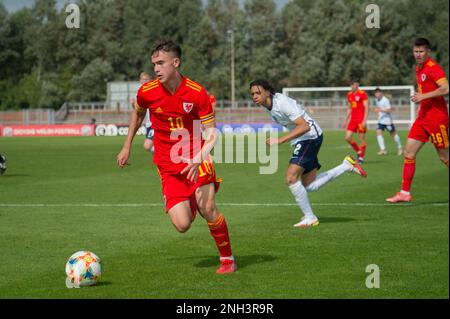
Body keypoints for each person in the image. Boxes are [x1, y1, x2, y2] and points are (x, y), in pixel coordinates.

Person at [117, 39, 237, 274]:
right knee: (182, 225)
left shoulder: (196, 93)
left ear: (176, 62)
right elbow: (138, 114)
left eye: (161, 63)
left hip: (197, 159)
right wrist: (126, 145)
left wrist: (200, 157)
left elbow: (212, 133)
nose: (156, 69)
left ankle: (228, 259)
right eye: (154, 64)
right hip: (167, 165)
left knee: (209, 208)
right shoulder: (147, 92)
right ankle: (190, 199)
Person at [250, 79, 367, 228]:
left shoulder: (281, 103)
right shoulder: (268, 106)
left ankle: (310, 217)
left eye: (258, 92)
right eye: (252, 94)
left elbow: (304, 126)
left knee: (291, 178)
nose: (255, 96)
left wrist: (281, 140)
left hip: (309, 136)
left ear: (267, 91)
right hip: (303, 139)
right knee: (309, 185)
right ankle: (345, 166)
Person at [387, 38, 449, 203]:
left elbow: (445, 88)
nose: (418, 54)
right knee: (408, 153)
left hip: (437, 119)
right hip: (423, 118)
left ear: (428, 51)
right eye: (416, 51)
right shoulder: (418, 67)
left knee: (445, 157)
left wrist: (423, 96)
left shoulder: (433, 68)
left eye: (422, 51)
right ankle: (405, 192)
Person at [343, 78, 369, 163]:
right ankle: (359, 151)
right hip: (353, 120)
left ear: (357, 85)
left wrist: (364, 120)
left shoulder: (362, 94)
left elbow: (367, 107)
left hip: (361, 120)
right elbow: (349, 108)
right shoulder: (349, 94)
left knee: (362, 139)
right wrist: (345, 120)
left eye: (353, 84)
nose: (351, 86)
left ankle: (361, 158)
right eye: (351, 85)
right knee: (347, 138)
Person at [373, 88, 403, 155]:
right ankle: (383, 150)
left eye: (378, 93)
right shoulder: (377, 100)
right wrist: (378, 112)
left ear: (381, 93)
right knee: (378, 132)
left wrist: (380, 110)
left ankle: (400, 148)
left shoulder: (385, 100)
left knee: (393, 134)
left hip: (387, 121)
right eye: (376, 93)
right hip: (381, 120)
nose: (377, 94)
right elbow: (379, 108)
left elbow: (389, 110)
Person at [136, 72, 155, 153]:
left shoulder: (152, 91)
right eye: (143, 79)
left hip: (153, 123)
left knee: (147, 146)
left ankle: (164, 155)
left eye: (146, 79)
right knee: (148, 146)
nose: (145, 81)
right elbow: (139, 110)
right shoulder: (140, 92)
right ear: (139, 80)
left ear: (150, 80)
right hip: (148, 124)